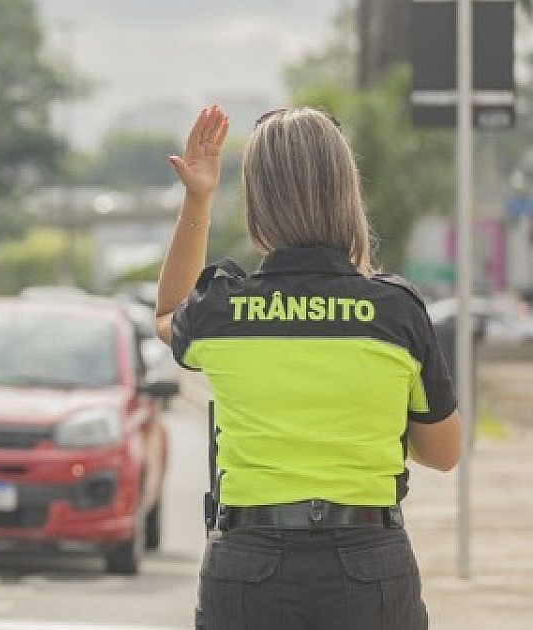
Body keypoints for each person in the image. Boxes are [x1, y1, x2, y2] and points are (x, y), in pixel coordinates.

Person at [154, 105, 461, 630]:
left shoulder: (223, 310)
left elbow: (166, 313)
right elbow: (444, 453)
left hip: (249, 567)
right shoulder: (395, 312)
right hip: (371, 565)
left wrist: (198, 196)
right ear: (347, 193)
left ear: (257, 203)